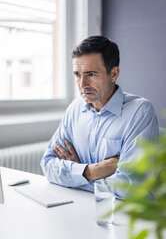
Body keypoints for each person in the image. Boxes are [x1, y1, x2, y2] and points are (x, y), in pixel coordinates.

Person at [41, 35, 159, 197]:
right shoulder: (74, 109)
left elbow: (131, 188)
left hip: (123, 216)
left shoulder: (140, 111)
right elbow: (47, 166)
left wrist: (77, 174)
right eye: (77, 74)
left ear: (114, 74)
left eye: (91, 74)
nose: (82, 85)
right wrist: (93, 170)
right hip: (81, 206)